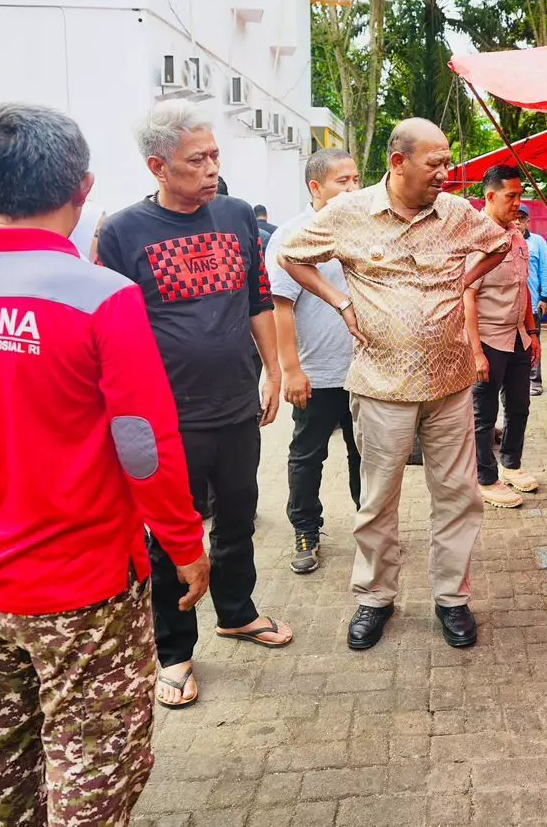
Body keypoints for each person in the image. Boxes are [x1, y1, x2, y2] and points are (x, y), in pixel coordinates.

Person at [0, 103, 209, 827]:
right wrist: (182, 542)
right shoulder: (101, 295)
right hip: (83, 583)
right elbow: (143, 445)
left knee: (2, 751)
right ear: (84, 186)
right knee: (93, 760)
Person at [278, 118, 511, 651]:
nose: (446, 174)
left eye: (448, 162)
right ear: (398, 162)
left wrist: (464, 279)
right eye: (436, 164)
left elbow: (498, 243)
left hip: (451, 383)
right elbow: (290, 254)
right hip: (381, 385)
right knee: (378, 499)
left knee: (458, 495)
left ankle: (452, 598)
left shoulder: (456, 214)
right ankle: (376, 597)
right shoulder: (350, 211)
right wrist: (340, 301)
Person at [98, 100, 291, 709]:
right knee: (170, 537)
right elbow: (116, 325)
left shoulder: (235, 215)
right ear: (158, 166)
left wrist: (276, 373)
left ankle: (237, 611)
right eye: (197, 159)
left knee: (238, 519)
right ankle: (174, 650)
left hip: (237, 403)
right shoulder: (124, 231)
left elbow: (258, 298)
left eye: (215, 156)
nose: (212, 169)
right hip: (167, 418)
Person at [269, 148, 364, 575]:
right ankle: (306, 529)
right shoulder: (293, 236)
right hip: (318, 373)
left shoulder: (366, 229)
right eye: (342, 181)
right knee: (308, 457)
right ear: (316, 187)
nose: (352, 188)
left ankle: (372, 528)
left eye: (356, 180)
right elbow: (281, 309)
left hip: (366, 371)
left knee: (366, 455)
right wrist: (290, 370)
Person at [465, 165, 541, 509]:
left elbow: (522, 285)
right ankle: (485, 476)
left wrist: (533, 332)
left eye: (520, 195)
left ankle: (511, 464)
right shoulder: (477, 237)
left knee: (520, 407)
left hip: (518, 337)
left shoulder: (517, 235)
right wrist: (476, 352)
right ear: (490, 196)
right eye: (511, 196)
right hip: (489, 338)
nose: (517, 203)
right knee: (484, 413)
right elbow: (467, 294)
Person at [518, 205, 547, 396]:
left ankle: (534, 381)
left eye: (521, 219)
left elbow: (545, 270)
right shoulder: (502, 238)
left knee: (533, 342)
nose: (517, 222)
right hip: (509, 305)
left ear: (527, 221)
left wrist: (545, 297)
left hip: (532, 304)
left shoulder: (538, 242)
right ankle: (515, 380)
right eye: (515, 217)